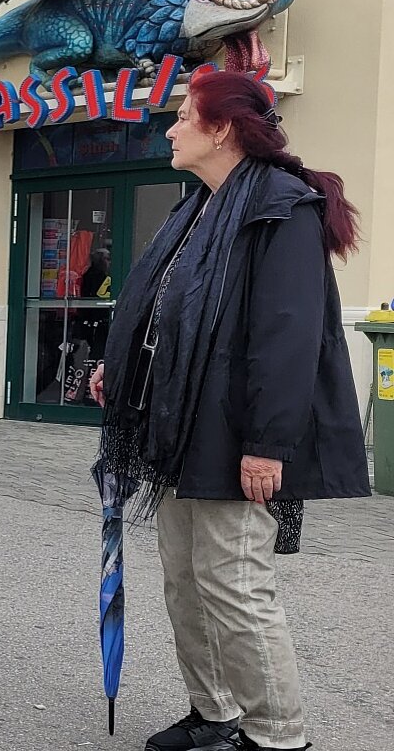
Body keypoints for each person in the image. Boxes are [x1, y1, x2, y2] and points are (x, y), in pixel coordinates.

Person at [89, 71, 368, 751]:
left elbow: (288, 336)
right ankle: (215, 714)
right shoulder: (198, 208)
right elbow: (168, 312)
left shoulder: (282, 209)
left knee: (234, 584)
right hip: (179, 426)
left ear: (221, 129)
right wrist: (121, 372)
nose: (171, 129)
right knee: (186, 582)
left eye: (184, 116)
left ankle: (278, 735)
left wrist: (268, 444)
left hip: (235, 434)